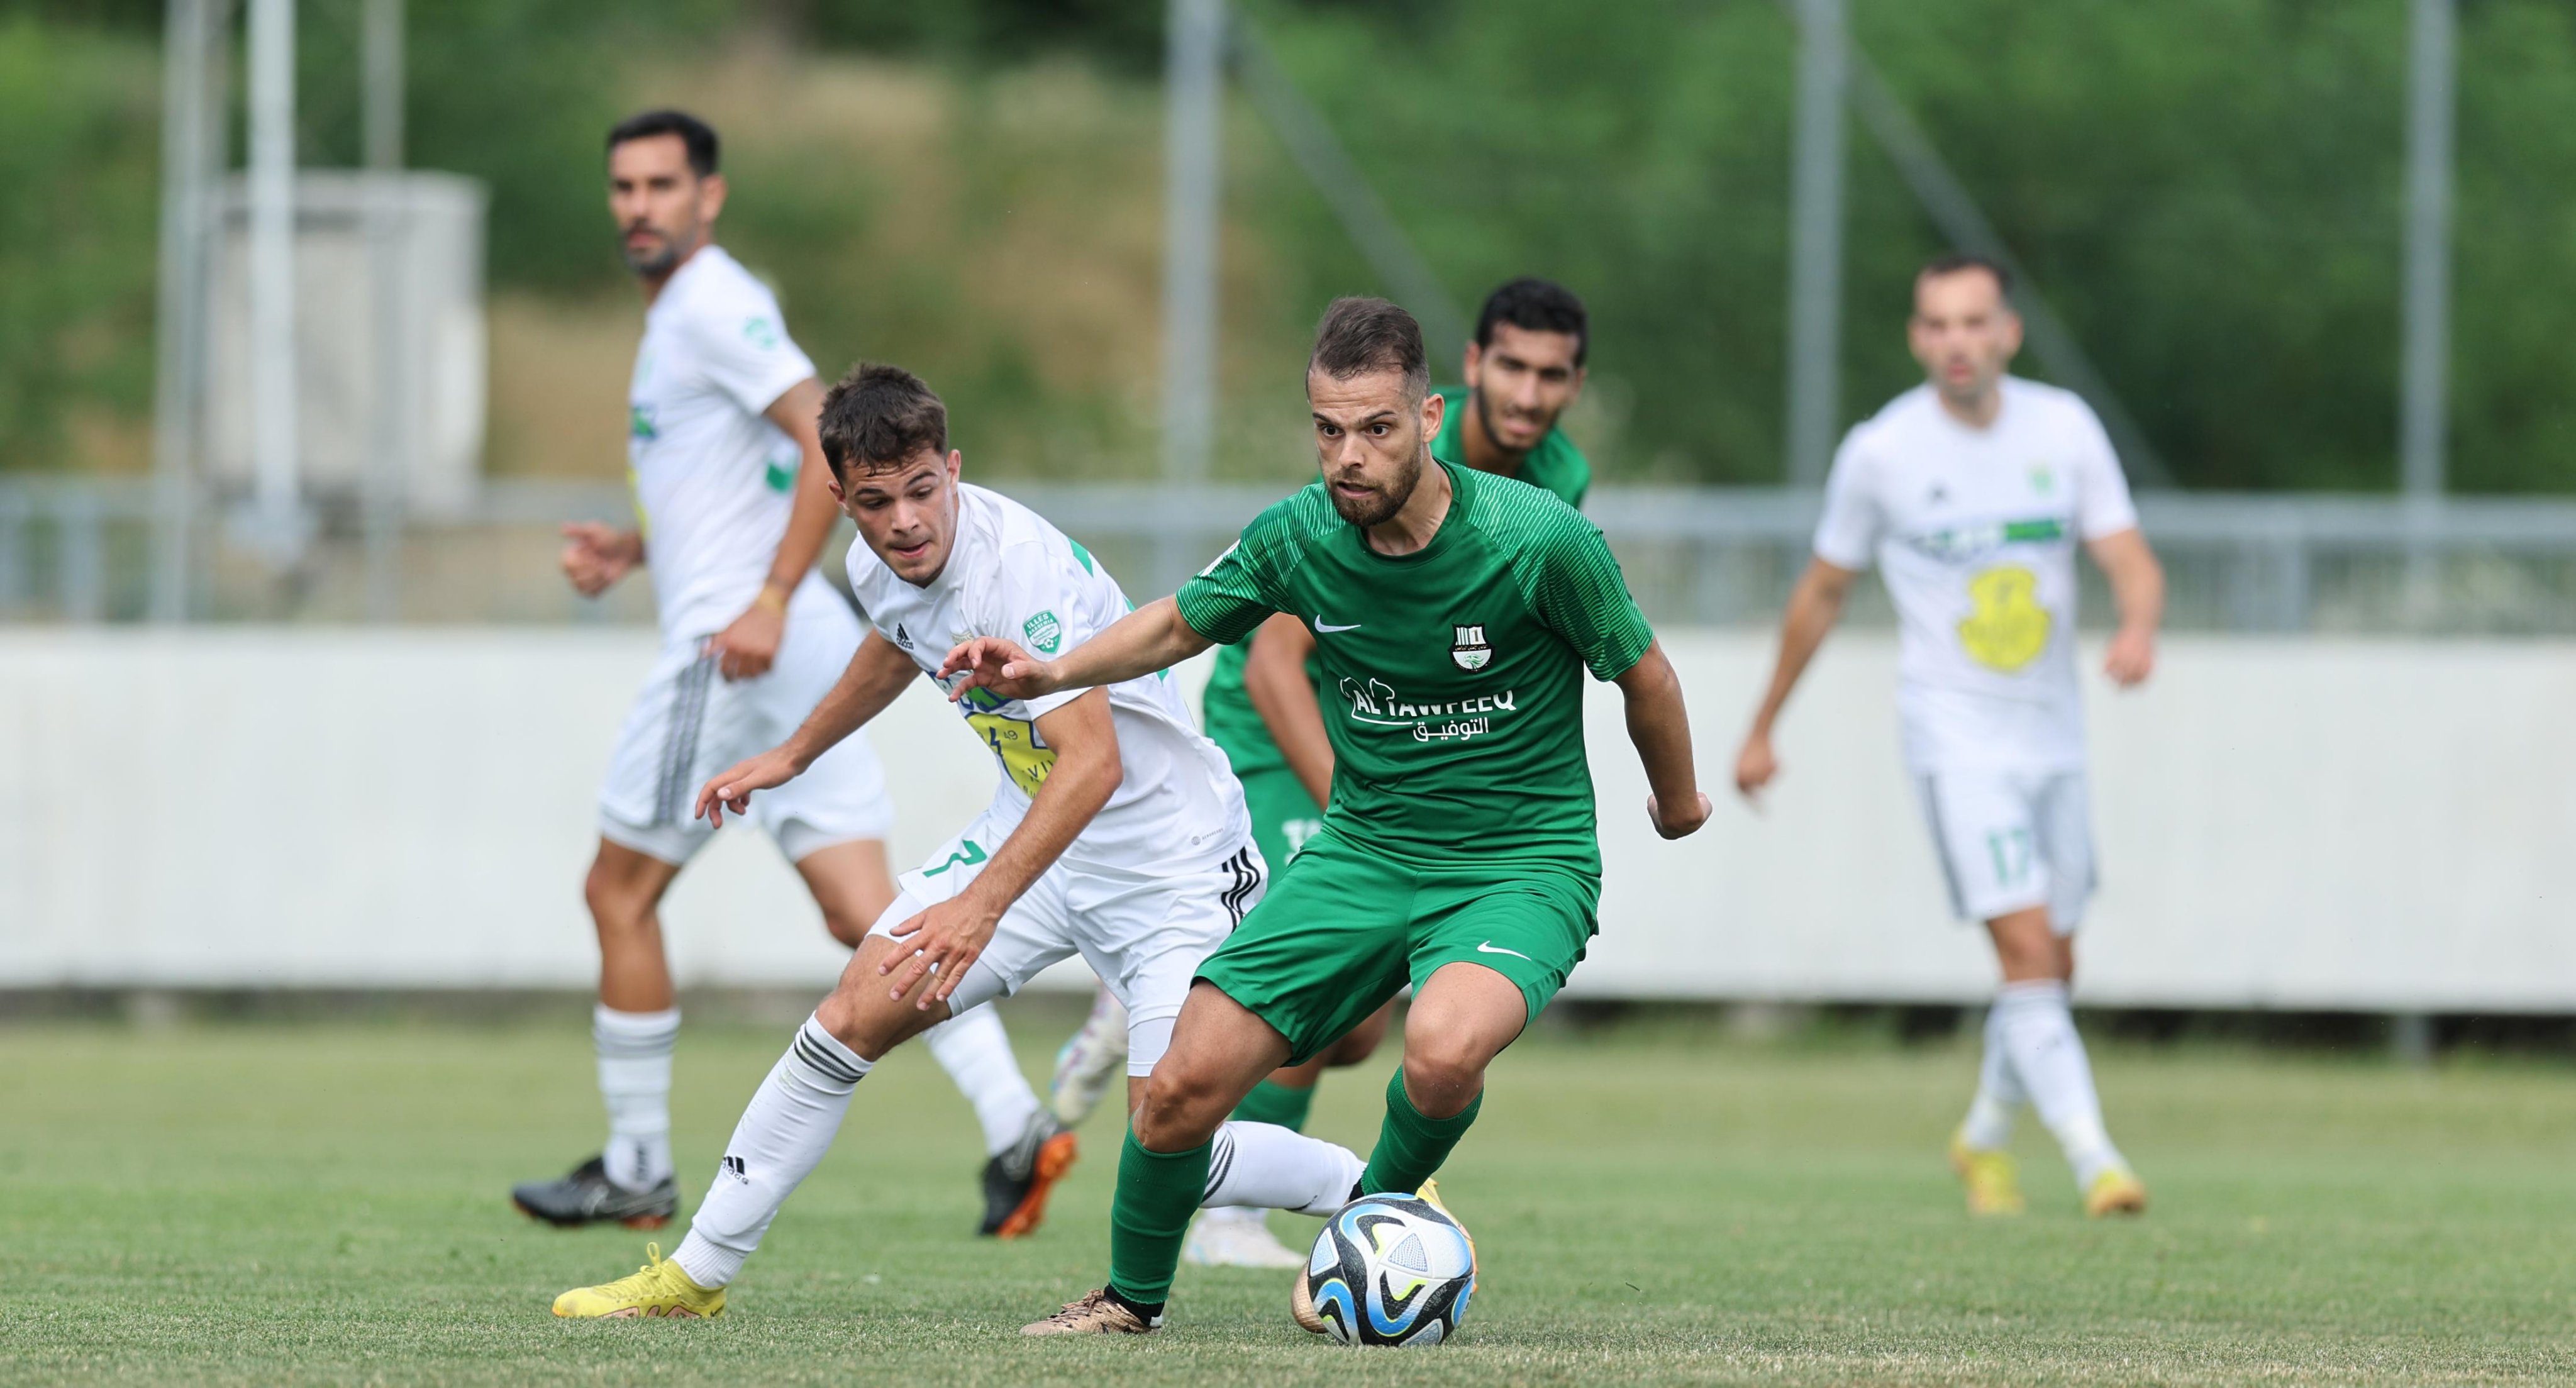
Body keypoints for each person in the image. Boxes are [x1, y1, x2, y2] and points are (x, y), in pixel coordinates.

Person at [941, 297, 1712, 1336]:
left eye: (1376, 429)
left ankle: (1364, 1229)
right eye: (1328, 429)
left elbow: (1648, 678)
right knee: (1175, 1090)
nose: (1348, 455)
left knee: (1438, 1051)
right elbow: (1176, 621)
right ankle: (1129, 1303)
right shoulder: (1300, 536)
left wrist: (1677, 802)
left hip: (1518, 865)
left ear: (1430, 416)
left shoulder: (1540, 540)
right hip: (1362, 853)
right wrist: (1054, 669)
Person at [549, 363, 1368, 1320]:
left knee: (1169, 1132)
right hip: (1035, 828)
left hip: (1167, 860)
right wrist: (793, 753)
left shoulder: (1014, 570)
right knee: (850, 1015)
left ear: (955, 468)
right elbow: (896, 644)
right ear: (841, 499)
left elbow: (1092, 765)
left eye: (922, 490)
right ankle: (693, 1276)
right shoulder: (873, 562)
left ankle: (1378, 1193)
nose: (904, 521)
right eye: (876, 501)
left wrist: (981, 909)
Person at [513, 111, 1057, 1240]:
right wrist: (640, 545)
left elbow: (828, 444)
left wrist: (760, 599)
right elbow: (733, 482)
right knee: (866, 911)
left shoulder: (710, 300)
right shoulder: (687, 312)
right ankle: (1016, 1123)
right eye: (624, 186)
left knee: (617, 894)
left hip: (739, 640)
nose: (639, 206)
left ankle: (635, 1166)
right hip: (787, 629)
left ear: (709, 196)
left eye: (663, 184)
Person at [1043, 278, 1602, 1271]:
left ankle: (1335, 1194)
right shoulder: (1363, 483)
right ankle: (1228, 1212)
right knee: (1289, 1029)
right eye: (1510, 366)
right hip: (1292, 734)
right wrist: (1365, 802)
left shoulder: (1551, 490)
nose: (1527, 394)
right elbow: (1270, 661)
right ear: (1466, 380)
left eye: (1550, 375)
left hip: (1410, 766)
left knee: (1354, 1037)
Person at [1732, 253, 2163, 1219]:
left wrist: (2138, 626)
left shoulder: (2065, 427)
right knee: (2026, 960)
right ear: (1916, 337)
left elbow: (2129, 555)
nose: (1956, 342)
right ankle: (2100, 1162)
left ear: (2007, 331)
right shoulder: (1883, 452)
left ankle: (1981, 1140)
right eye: (1936, 324)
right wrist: (1763, 727)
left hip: (2055, 738)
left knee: (2055, 965)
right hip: (1954, 736)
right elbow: (1823, 593)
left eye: (1974, 322)